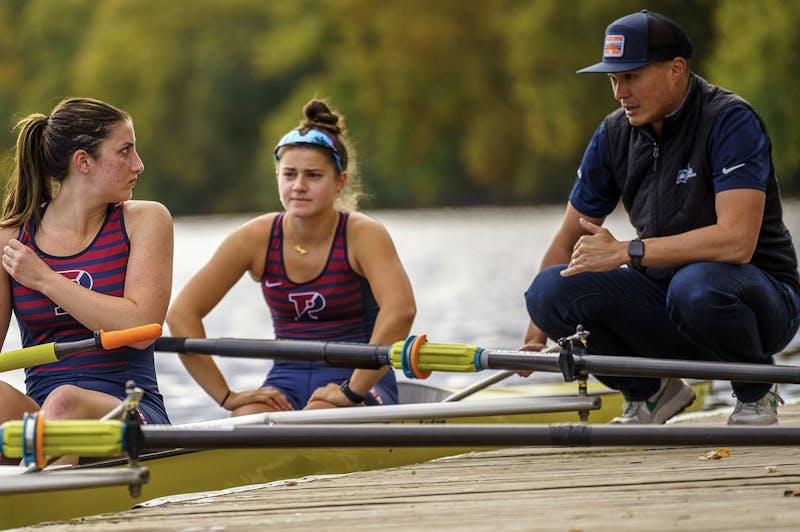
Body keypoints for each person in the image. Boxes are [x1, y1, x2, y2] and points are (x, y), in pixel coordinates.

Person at [523, 10, 800, 426]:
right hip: (669, 300)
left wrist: (627, 251)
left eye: (631, 77)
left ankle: (755, 392)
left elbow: (736, 241)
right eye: (613, 80)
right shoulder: (615, 133)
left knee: (695, 285)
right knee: (548, 291)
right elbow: (567, 240)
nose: (620, 92)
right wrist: (535, 333)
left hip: (758, 300)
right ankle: (650, 393)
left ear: (676, 70)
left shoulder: (730, 120)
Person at [167, 98, 416, 416]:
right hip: (287, 382)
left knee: (323, 415)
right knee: (244, 419)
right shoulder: (254, 238)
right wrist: (227, 397)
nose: (298, 186)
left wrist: (352, 391)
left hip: (362, 380)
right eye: (289, 175)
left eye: (313, 175)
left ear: (339, 181)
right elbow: (181, 314)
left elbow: (401, 311)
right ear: (277, 178)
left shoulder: (362, 234)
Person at [0, 97, 173, 432]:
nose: (138, 164)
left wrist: (45, 280)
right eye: (125, 151)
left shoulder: (145, 221)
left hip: (129, 412)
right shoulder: (10, 240)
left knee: (65, 402)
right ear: (83, 161)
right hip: (41, 416)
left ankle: (35, 472)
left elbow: (140, 327)